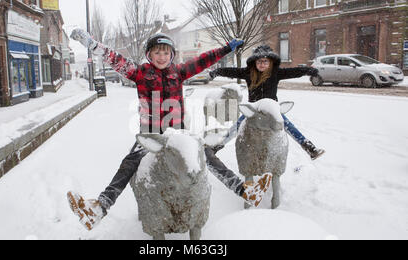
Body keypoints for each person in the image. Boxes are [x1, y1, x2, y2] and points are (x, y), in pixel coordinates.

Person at [67, 29, 272, 230]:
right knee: (129, 163)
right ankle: (100, 207)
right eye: (157, 52)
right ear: (149, 55)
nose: (162, 56)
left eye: (166, 52)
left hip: (178, 132)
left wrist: (227, 48)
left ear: (172, 55)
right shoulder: (139, 73)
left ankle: (244, 190)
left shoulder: (179, 72)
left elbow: (204, 60)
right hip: (151, 132)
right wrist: (92, 44)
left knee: (206, 153)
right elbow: (114, 58)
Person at [210, 45, 325, 160]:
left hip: (271, 108)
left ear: (270, 62)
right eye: (259, 61)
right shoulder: (248, 73)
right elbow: (231, 71)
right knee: (236, 127)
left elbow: (294, 71)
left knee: (288, 125)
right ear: (254, 62)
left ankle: (310, 148)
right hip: (254, 108)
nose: (262, 64)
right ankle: (216, 147)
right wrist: (217, 71)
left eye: (265, 61)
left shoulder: (276, 73)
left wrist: (309, 71)